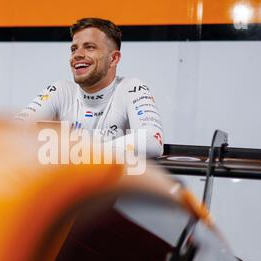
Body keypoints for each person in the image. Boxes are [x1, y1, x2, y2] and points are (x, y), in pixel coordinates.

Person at [15, 17, 164, 158]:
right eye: (74, 49)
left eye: (90, 47)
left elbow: (152, 141)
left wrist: (80, 150)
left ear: (113, 58)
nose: (77, 55)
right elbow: (13, 132)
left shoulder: (130, 88)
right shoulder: (61, 91)